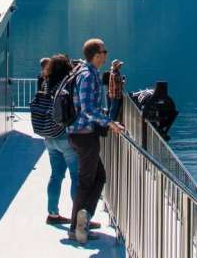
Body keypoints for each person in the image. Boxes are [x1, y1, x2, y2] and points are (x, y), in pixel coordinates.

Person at [68, 38, 125, 245]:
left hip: (82, 133)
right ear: (96, 54)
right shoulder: (88, 75)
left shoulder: (86, 72)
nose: (106, 54)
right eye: (104, 51)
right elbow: (87, 108)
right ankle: (76, 228)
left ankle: (84, 217)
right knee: (86, 181)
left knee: (99, 176)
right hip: (84, 135)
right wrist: (110, 123)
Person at [38, 54, 78, 225]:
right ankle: (78, 218)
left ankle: (52, 214)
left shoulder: (46, 82)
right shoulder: (68, 83)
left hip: (49, 136)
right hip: (64, 135)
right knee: (76, 176)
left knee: (56, 175)